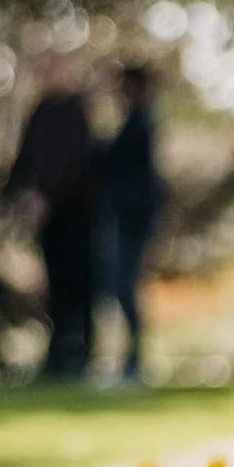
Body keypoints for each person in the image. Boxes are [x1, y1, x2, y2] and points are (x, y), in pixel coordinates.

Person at [0, 56, 96, 378]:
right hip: (48, 222)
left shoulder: (75, 112)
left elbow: (75, 166)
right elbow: (25, 161)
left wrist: (46, 198)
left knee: (77, 285)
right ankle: (57, 355)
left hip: (75, 218)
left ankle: (79, 352)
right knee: (55, 286)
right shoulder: (39, 112)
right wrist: (10, 196)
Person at [97, 58, 163, 384]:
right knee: (119, 285)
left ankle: (134, 359)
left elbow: (114, 162)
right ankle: (129, 357)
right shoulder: (134, 121)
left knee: (124, 284)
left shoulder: (141, 122)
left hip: (133, 217)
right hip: (125, 215)